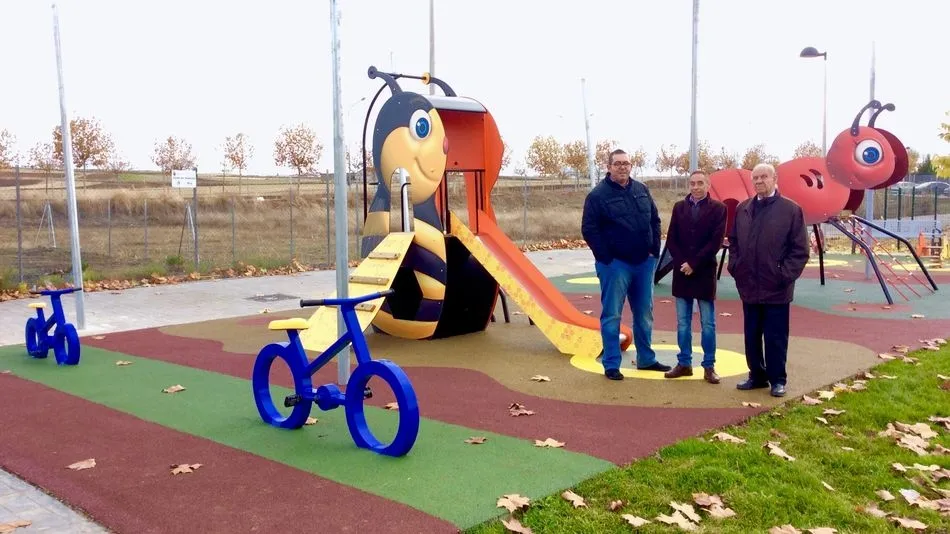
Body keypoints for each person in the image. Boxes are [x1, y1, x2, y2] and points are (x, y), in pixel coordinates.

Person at [581, 149, 671, 380]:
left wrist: (654, 251)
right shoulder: (597, 196)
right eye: (618, 163)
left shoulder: (641, 190)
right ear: (609, 167)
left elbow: (654, 219)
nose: (622, 167)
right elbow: (590, 229)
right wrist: (606, 258)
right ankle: (611, 364)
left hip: (643, 262)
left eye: (626, 163)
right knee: (612, 314)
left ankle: (646, 359)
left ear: (631, 166)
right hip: (615, 264)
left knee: (644, 313)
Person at [727, 163, 809, 397]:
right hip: (749, 284)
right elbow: (733, 242)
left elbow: (800, 249)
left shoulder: (791, 210)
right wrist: (736, 267)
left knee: (775, 336)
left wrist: (784, 275)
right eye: (756, 178)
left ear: (775, 179)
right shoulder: (744, 209)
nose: (759, 181)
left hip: (776, 287)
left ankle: (777, 379)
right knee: (752, 333)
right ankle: (757, 375)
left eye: (764, 177)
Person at [663, 170, 728, 384]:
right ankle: (684, 363)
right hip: (682, 273)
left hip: (704, 272)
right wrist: (684, 263)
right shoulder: (679, 207)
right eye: (692, 183)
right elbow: (672, 239)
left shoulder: (719, 209)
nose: (696, 187)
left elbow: (715, 241)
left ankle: (709, 366)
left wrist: (694, 263)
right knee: (683, 323)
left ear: (708, 185)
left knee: (708, 323)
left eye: (700, 183)